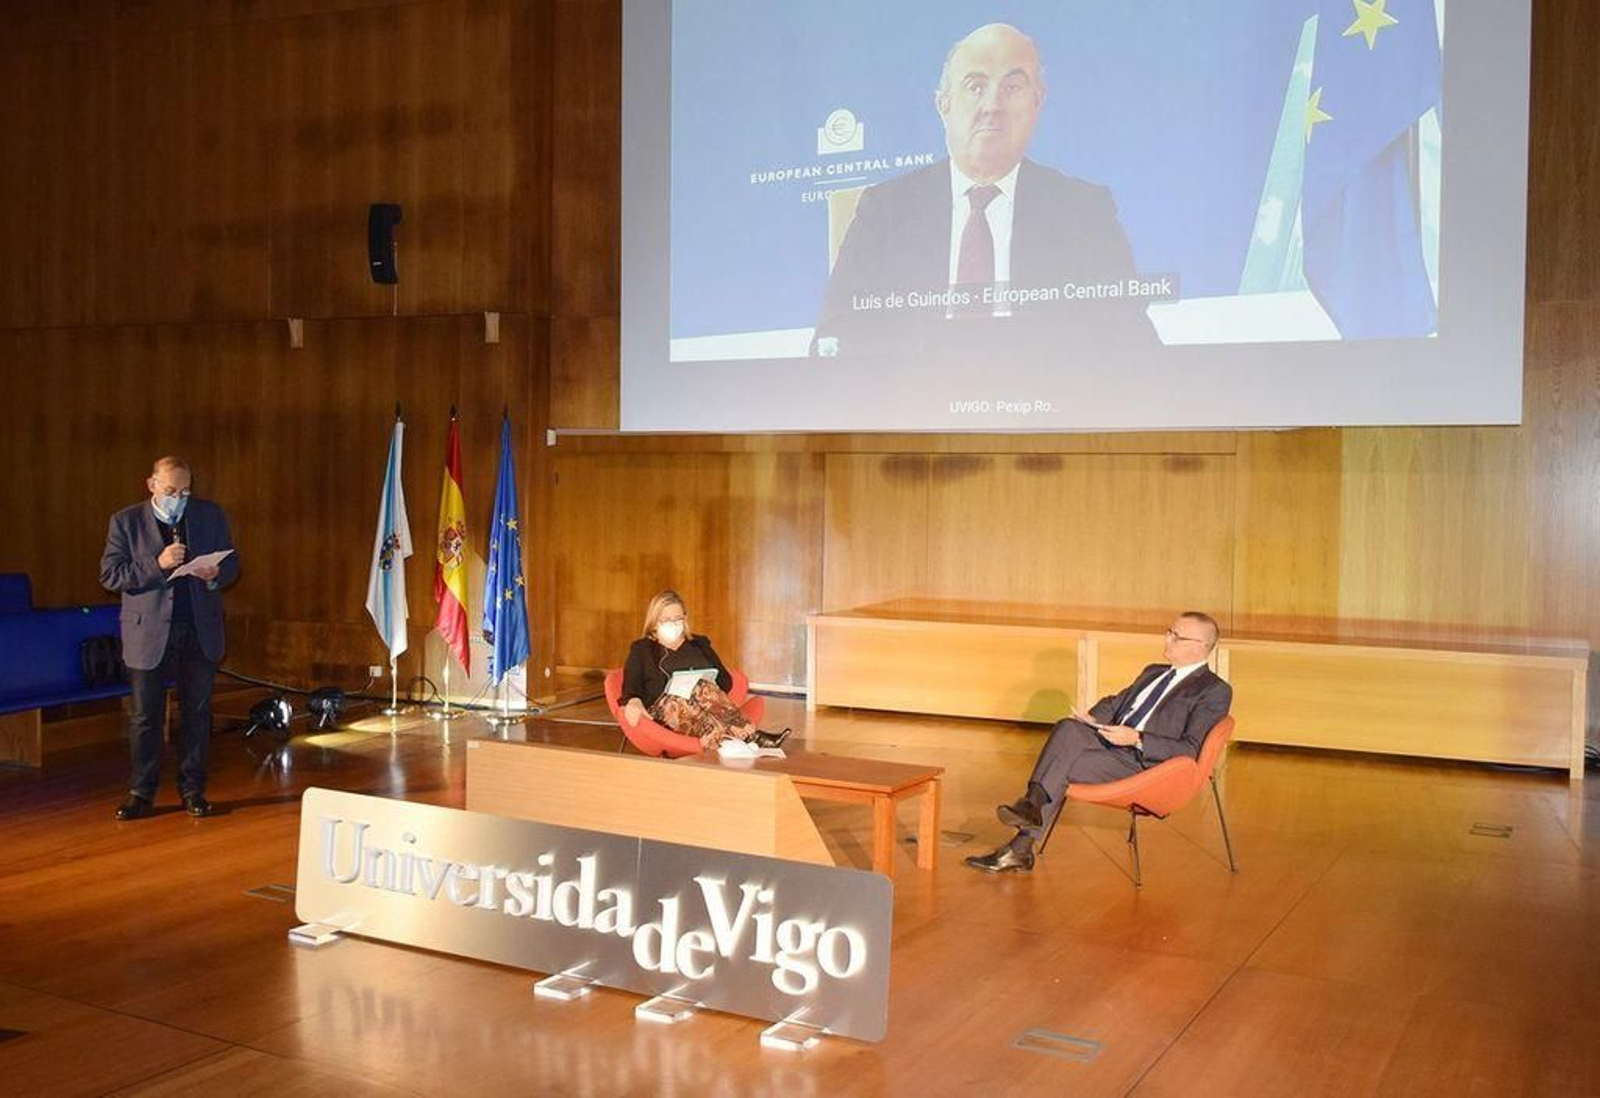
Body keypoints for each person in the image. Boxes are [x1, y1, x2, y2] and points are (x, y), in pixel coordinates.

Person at [812, 22, 1157, 360]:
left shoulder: (1084, 212)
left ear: (1038, 102)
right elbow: (832, 342)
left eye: (1012, 88)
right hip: (913, 408)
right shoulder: (884, 211)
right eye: (975, 86)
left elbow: (1133, 346)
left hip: (1043, 410)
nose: (992, 105)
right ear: (943, 104)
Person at [965, 611, 1232, 873]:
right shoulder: (1154, 672)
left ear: (1200, 646)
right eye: (1168, 632)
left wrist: (1138, 738)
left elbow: (1190, 749)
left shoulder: (1213, 689)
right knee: (1069, 727)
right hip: (1112, 744)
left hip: (1145, 764)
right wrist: (1092, 717)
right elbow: (1116, 702)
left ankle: (1023, 837)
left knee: (1061, 765)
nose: (1167, 640)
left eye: (1176, 636)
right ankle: (1030, 812)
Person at [99, 456, 238, 819]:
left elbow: (232, 568)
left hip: (198, 628)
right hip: (148, 632)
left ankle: (193, 789)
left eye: (186, 491)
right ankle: (141, 793)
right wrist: (157, 564)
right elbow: (111, 576)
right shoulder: (125, 522)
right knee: (146, 716)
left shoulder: (210, 515)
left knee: (196, 713)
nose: (179, 498)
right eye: (171, 490)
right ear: (152, 485)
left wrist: (213, 574)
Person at [620, 590, 788, 751]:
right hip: (665, 710)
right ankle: (749, 737)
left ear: (685, 619)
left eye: (678, 619)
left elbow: (725, 681)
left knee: (701, 686)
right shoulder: (642, 649)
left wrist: (706, 681)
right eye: (667, 620)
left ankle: (731, 738)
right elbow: (630, 688)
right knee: (688, 697)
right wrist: (634, 702)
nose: (674, 624)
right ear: (655, 622)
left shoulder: (699, 643)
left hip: (704, 704)